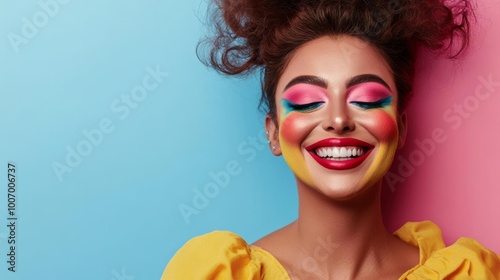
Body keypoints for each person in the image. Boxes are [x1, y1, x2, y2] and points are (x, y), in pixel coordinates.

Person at [162, 0, 500, 279]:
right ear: (274, 133)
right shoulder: (215, 274)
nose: (338, 120)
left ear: (400, 128)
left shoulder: (469, 274)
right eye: (308, 102)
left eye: (366, 99)